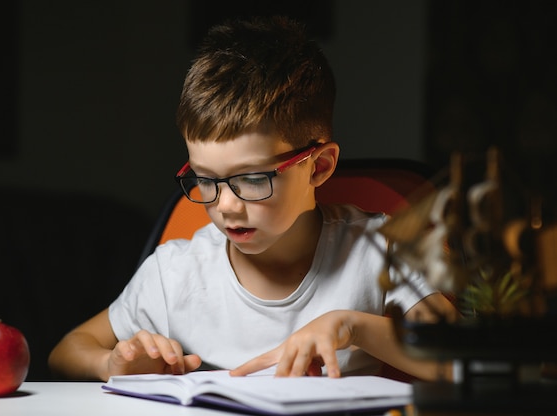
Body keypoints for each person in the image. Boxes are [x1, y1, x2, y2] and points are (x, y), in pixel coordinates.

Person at [48, 15, 458, 382]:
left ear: (318, 167)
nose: (226, 206)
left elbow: (459, 361)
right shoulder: (175, 274)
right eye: (204, 179)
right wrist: (112, 365)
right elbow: (67, 351)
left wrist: (354, 327)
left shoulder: (377, 249)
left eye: (251, 179)